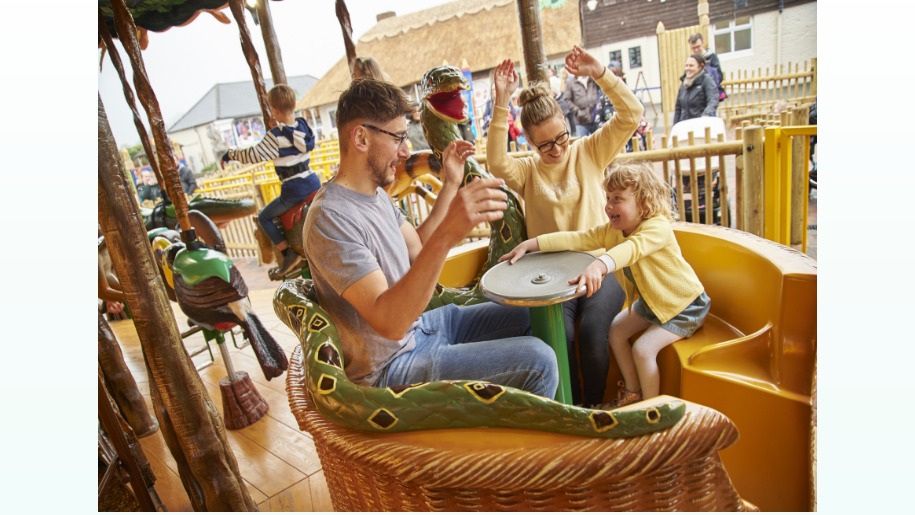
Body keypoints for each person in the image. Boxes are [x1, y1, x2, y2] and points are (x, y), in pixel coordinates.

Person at [302, 78, 558, 397]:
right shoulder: (330, 218)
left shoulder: (376, 195)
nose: (405, 150)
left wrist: (451, 183)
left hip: (422, 327)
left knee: (532, 313)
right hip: (391, 366)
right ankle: (523, 445)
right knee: (538, 361)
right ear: (361, 138)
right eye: (397, 138)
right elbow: (390, 322)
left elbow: (417, 247)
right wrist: (450, 232)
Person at [486, 45, 643, 408]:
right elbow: (496, 161)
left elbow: (631, 113)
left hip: (600, 264)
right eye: (545, 145)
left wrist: (599, 73)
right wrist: (501, 101)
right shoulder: (527, 170)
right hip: (552, 276)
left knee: (591, 333)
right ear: (529, 142)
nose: (556, 150)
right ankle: (568, 408)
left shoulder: (589, 151)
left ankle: (589, 407)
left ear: (567, 126)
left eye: (561, 138)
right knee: (559, 336)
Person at [499, 161, 710, 408]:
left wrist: (600, 265)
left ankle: (652, 410)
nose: (609, 205)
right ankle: (633, 393)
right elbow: (577, 238)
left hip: (685, 305)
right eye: (608, 197)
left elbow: (632, 250)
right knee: (616, 331)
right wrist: (532, 243)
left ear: (643, 203)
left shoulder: (657, 227)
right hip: (656, 303)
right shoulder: (612, 231)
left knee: (643, 350)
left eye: (618, 198)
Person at [221, 84, 320, 276]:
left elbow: (252, 154)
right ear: (294, 104)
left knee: (264, 216)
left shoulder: (275, 137)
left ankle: (288, 253)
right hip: (313, 181)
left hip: (294, 189)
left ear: (274, 110)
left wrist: (230, 155)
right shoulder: (304, 126)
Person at [673, 53, 719, 125]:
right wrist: (675, 126)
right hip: (685, 125)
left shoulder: (707, 80)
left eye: (691, 66)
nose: (688, 68)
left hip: (701, 124)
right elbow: (678, 108)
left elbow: (713, 99)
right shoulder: (684, 84)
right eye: (686, 65)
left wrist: (706, 114)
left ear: (700, 67)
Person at [564, 63, 602, 137]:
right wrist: (577, 111)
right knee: (583, 145)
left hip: (596, 119)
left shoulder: (592, 79)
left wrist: (598, 108)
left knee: (599, 143)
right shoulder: (571, 82)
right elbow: (567, 99)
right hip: (581, 121)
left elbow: (600, 92)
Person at [688, 33, 726, 101]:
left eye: (698, 46)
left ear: (703, 43)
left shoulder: (712, 57)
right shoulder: (691, 60)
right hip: (697, 97)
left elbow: (719, 76)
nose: (696, 50)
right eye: (693, 48)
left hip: (710, 96)